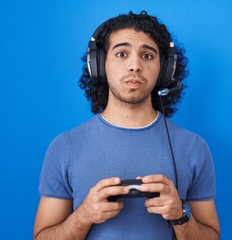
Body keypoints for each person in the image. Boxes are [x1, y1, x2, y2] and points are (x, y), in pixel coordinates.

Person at [34, 11, 220, 240]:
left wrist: (180, 215)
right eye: (122, 53)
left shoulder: (193, 147)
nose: (135, 65)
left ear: (164, 70)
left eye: (148, 56)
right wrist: (83, 216)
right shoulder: (65, 147)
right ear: (99, 65)